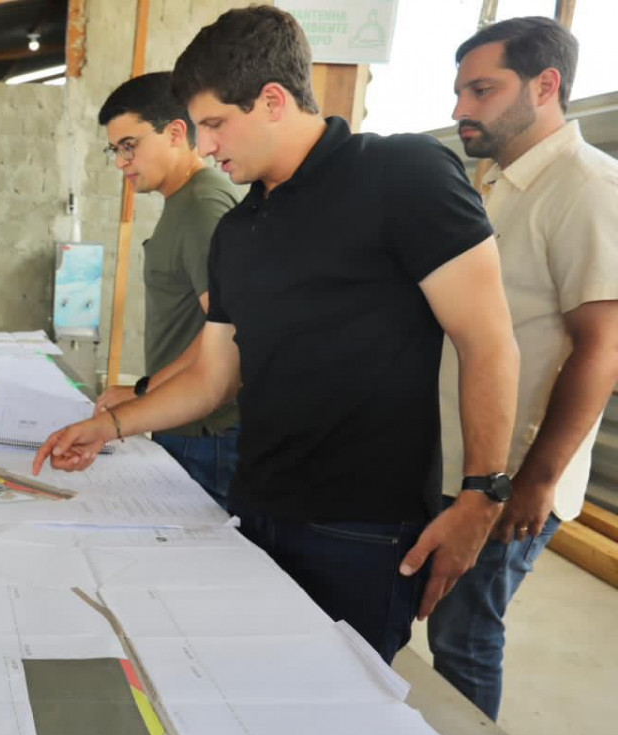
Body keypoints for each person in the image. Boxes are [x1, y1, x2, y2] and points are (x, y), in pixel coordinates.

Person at [34, 5, 520, 664]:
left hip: (362, 527)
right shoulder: (240, 229)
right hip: (255, 509)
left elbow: (487, 340)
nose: (204, 147)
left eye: (213, 124)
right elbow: (212, 378)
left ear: (271, 100)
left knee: (340, 712)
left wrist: (481, 494)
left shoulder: (403, 175)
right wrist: (113, 425)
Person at [430, 17, 618, 721]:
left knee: (465, 638)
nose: (459, 110)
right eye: (458, 92)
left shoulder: (589, 187)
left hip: (509, 477)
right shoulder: (496, 184)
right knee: (444, 625)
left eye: (481, 90)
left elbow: (602, 347)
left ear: (546, 85)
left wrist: (534, 482)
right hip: (462, 462)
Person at [93, 72, 243, 507]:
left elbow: (228, 329)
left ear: (177, 132)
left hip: (206, 431)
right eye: (115, 149)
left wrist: (143, 391)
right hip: (187, 423)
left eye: (129, 146)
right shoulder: (184, 201)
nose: (121, 161)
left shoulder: (201, 206)